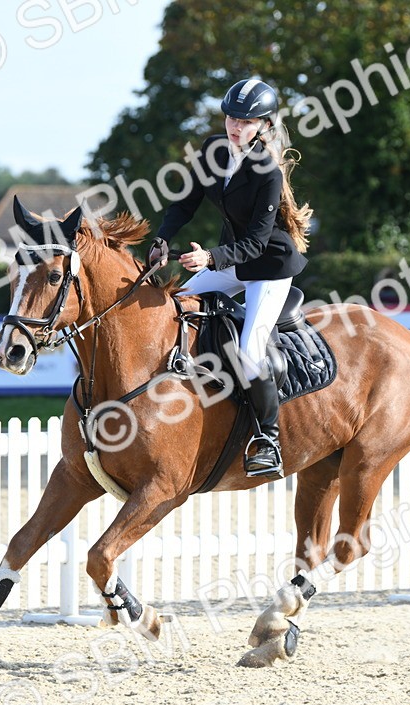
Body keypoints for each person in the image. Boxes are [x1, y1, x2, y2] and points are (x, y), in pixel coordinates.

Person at [148, 78, 312, 477]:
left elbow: (256, 243)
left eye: (246, 121)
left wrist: (210, 257)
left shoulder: (267, 173)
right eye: (231, 118)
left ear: (263, 126)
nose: (235, 127)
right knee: (175, 306)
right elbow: (184, 204)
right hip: (231, 262)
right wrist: (162, 239)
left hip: (268, 269)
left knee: (251, 350)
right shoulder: (212, 151)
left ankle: (268, 438)